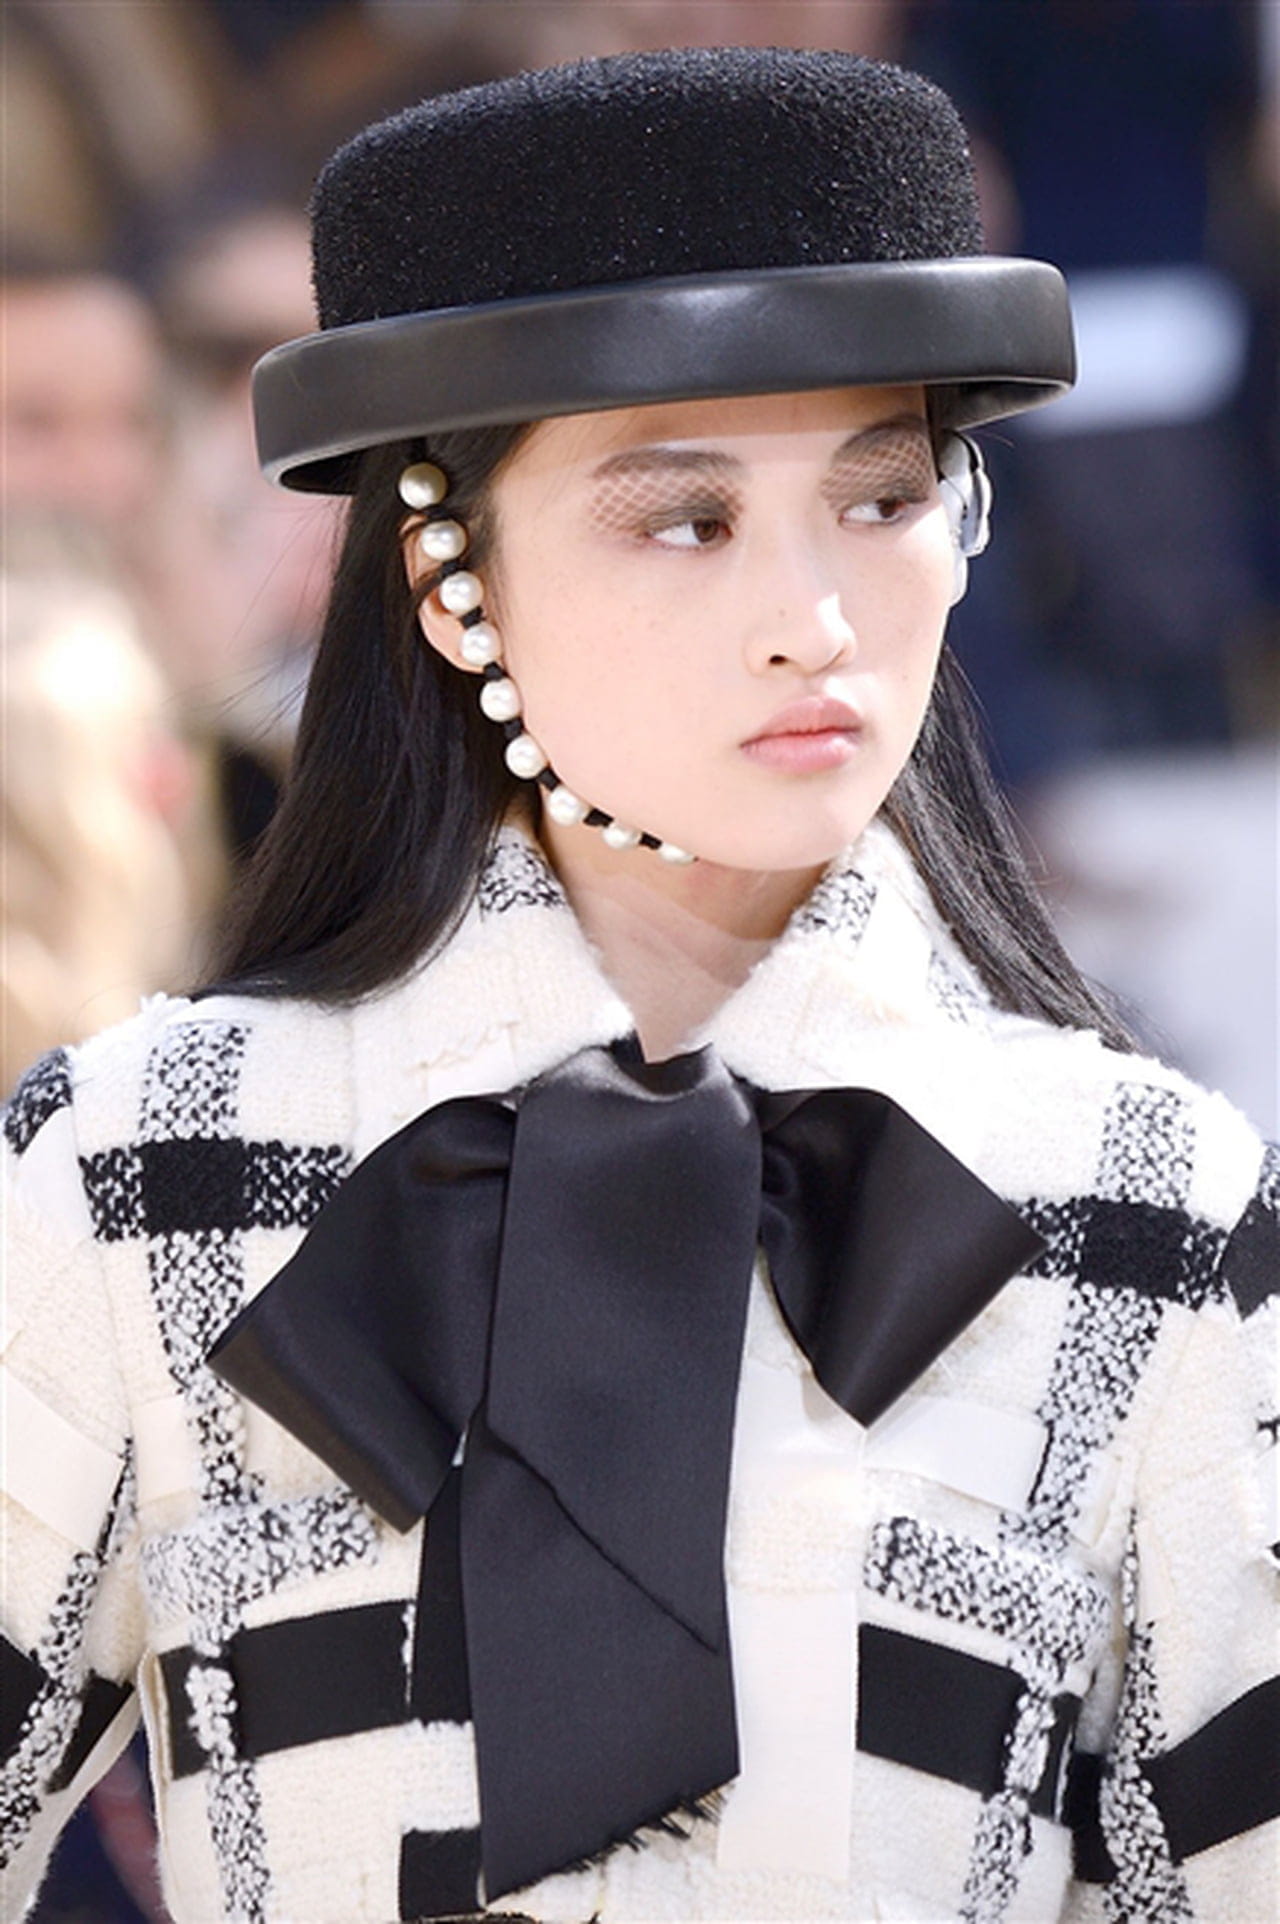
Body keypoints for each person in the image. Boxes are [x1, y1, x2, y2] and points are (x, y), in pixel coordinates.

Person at [1, 47, 1274, 1924]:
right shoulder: (137, 1168)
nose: (815, 619)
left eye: (884, 496)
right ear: (445, 576)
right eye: (687, 518)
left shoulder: (1149, 1206)